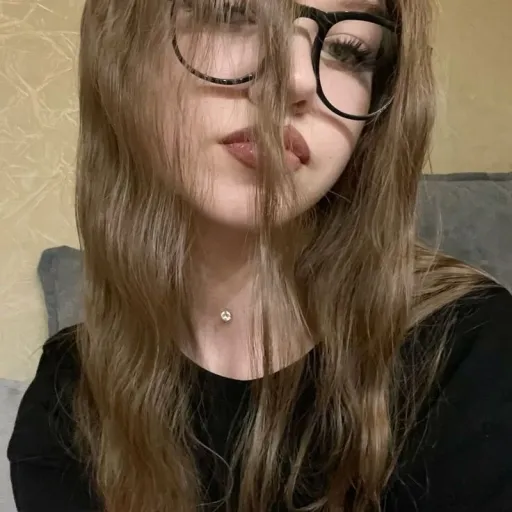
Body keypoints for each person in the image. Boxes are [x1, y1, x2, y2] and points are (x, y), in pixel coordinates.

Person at [7, 0, 512, 511]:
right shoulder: (69, 397)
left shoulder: (470, 349)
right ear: (124, 54)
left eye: (350, 50)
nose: (296, 79)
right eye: (231, 11)